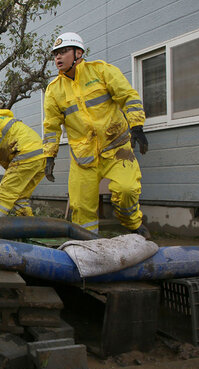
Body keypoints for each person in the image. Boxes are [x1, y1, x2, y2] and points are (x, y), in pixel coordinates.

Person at [43, 32, 150, 238]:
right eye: (55, 54)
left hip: (116, 149)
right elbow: (51, 126)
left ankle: (133, 223)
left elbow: (128, 97)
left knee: (127, 190)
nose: (58, 58)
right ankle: (88, 246)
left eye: (63, 52)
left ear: (79, 53)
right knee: (82, 208)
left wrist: (137, 126)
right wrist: (49, 155)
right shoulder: (54, 90)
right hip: (83, 157)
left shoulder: (101, 71)